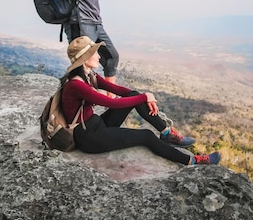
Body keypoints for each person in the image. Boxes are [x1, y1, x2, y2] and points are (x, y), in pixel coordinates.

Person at [61, 35, 221, 166]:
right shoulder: (77, 84)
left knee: (133, 95)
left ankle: (167, 133)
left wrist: (143, 95)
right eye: (94, 52)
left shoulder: (88, 75)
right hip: (89, 138)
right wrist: (145, 97)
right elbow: (112, 103)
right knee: (146, 136)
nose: (99, 56)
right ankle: (192, 161)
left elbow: (118, 90)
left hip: (95, 125)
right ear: (84, 57)